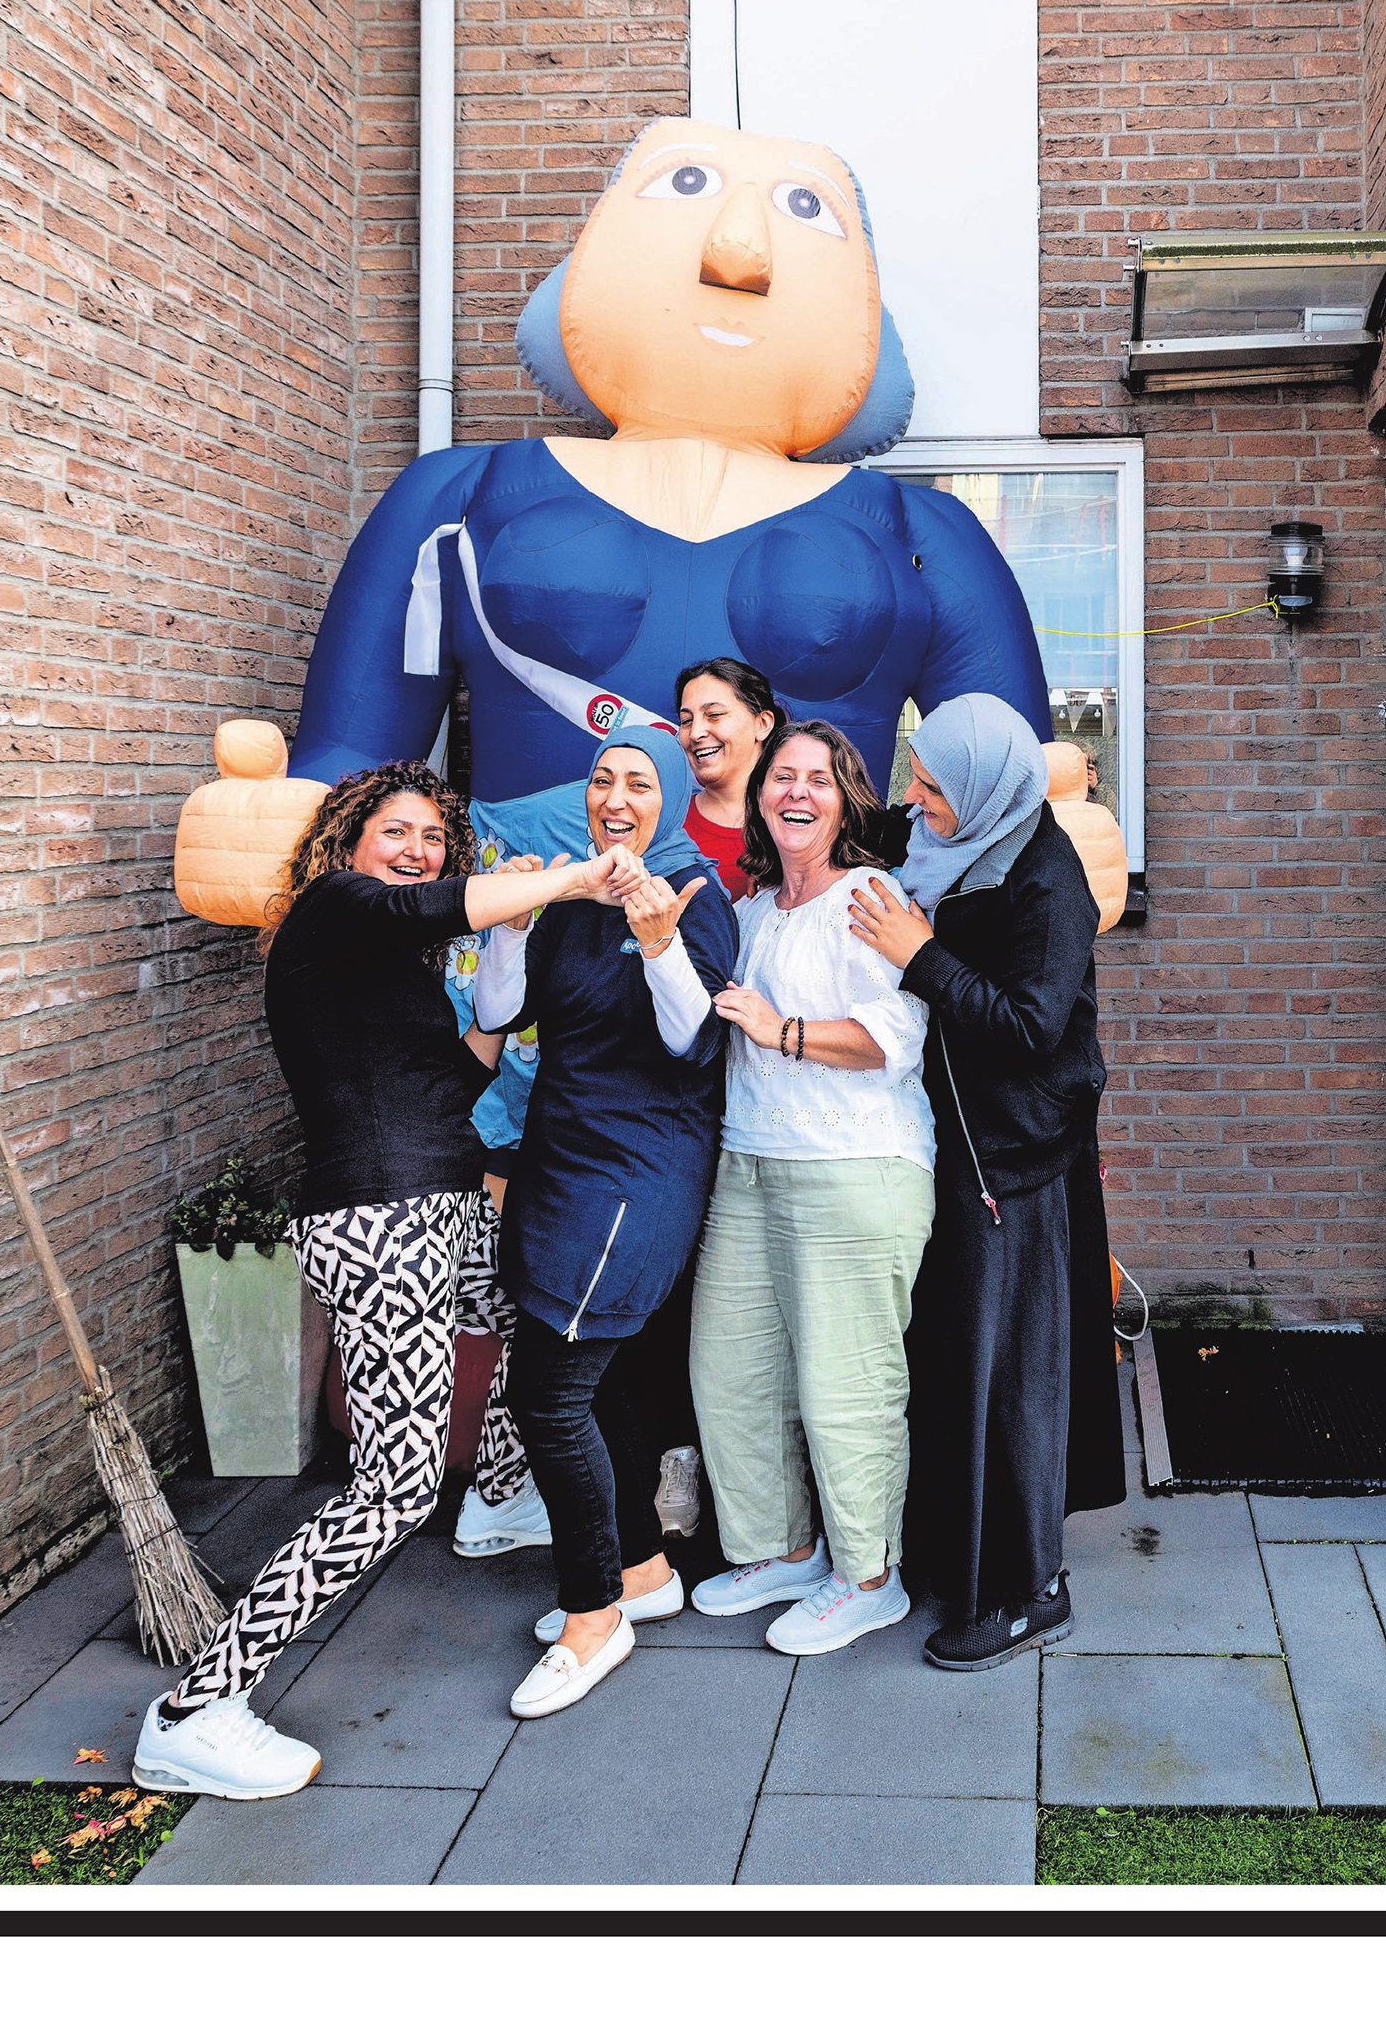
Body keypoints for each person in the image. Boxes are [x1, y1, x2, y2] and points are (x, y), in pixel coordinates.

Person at [132, 766, 636, 1800]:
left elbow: (460, 1077)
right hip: (380, 1221)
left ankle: (501, 1495)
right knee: (395, 1487)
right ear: (349, 840)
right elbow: (428, 906)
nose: (418, 849)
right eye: (396, 831)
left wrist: (511, 941)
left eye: (434, 836)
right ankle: (195, 1711)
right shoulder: (334, 907)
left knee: (518, 1313)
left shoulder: (388, 968)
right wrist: (572, 879)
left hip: (442, 1206)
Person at [848, 694, 1125, 1669]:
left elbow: (1028, 1027)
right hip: (956, 1145)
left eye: (933, 786)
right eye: (916, 777)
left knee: (1014, 1375)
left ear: (985, 789)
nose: (915, 800)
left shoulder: (1047, 881)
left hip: (1015, 1158)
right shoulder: (955, 840)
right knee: (960, 1358)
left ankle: (1030, 1587)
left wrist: (918, 957)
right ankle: (961, 1553)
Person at [481, 724, 740, 1719]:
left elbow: (692, 1042)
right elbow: (502, 1011)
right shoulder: (573, 890)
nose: (616, 797)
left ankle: (593, 1617)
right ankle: (639, 1568)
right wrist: (516, 920)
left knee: (549, 1394)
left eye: (639, 781)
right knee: (609, 1382)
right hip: (561, 1157)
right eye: (602, 779)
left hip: (637, 1169)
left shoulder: (696, 895)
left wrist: (658, 938)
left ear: (668, 796)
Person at [684, 722, 936, 1656]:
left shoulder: (870, 896)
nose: (796, 791)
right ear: (758, 795)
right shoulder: (751, 910)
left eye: (817, 779)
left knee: (845, 1386)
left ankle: (869, 1576)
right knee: (732, 1372)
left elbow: (891, 1038)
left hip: (854, 1164)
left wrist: (780, 1027)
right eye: (781, 776)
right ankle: (784, 1549)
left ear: (846, 798)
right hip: (749, 1162)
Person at [673, 656, 783, 874]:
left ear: (762, 724)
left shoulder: (799, 819)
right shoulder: (667, 826)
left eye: (714, 715)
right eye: (686, 721)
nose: (695, 733)